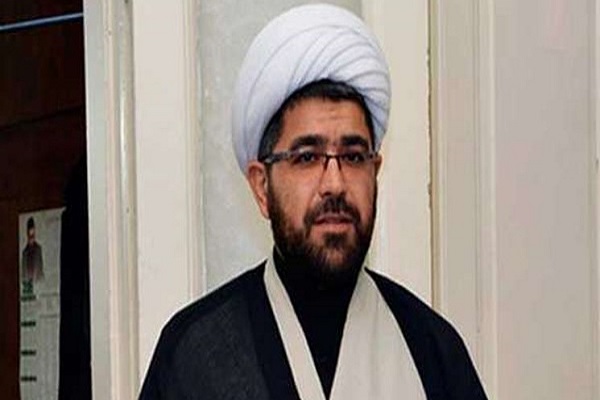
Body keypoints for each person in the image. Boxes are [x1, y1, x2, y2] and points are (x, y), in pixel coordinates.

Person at [140, 4, 487, 399]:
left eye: (353, 157)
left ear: (375, 171)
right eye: (307, 157)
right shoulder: (197, 356)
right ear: (261, 186)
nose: (335, 184)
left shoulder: (433, 351)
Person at [22, 216, 44, 294]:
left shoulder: (38, 249)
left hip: (38, 287)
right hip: (28, 288)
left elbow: (41, 271)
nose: (31, 238)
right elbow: (23, 274)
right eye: (30, 236)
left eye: (33, 236)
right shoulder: (24, 253)